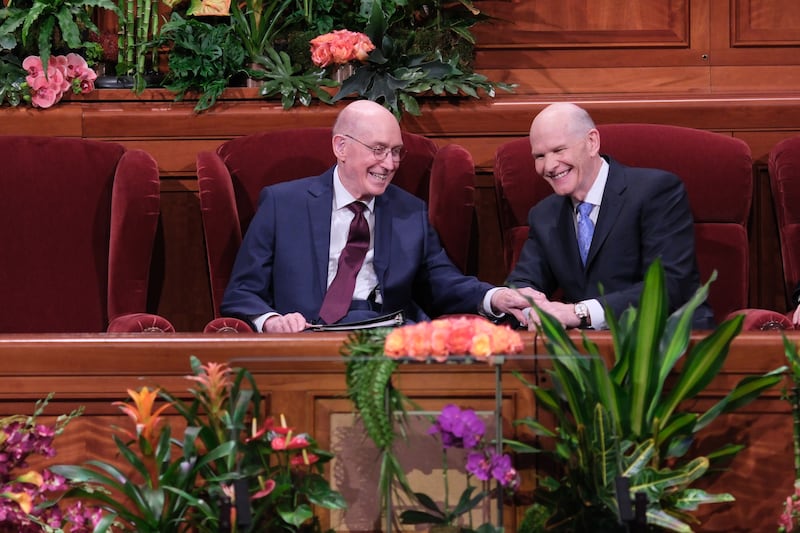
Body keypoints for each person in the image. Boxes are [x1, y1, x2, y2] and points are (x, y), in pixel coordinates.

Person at [221, 99, 530, 333]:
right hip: (307, 335)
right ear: (341, 147)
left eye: (396, 151)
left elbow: (441, 281)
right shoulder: (282, 204)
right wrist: (272, 321)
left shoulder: (409, 211)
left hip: (388, 335)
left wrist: (495, 296)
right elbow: (241, 292)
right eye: (379, 149)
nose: (390, 163)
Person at [507, 102, 715, 330]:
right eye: (539, 156)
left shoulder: (656, 191)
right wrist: (530, 309)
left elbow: (670, 285)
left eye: (559, 150)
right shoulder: (544, 214)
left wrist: (580, 312)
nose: (549, 166)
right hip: (582, 353)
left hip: (661, 343)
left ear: (591, 142)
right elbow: (523, 284)